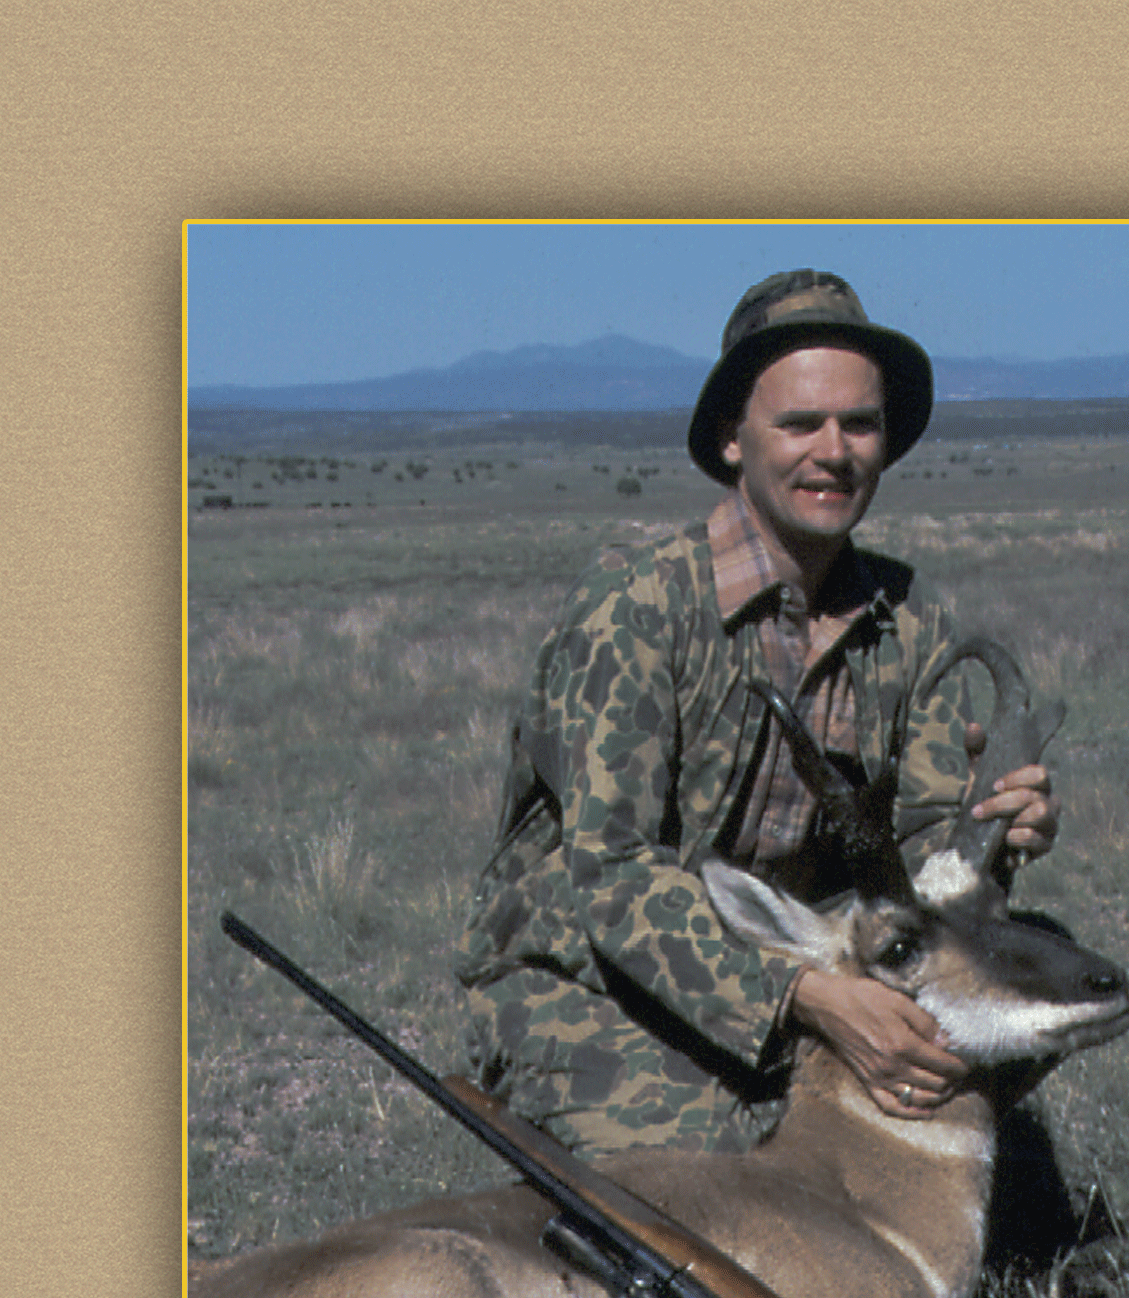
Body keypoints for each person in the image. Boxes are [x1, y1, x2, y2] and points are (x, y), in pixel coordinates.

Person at [455, 271, 1061, 1158]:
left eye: (860, 424)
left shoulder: (914, 620)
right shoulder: (636, 609)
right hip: (586, 978)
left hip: (815, 954)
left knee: (1053, 979)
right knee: (731, 1146)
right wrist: (806, 1002)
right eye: (799, 424)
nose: (835, 451)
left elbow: (925, 858)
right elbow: (616, 878)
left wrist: (995, 838)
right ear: (733, 442)